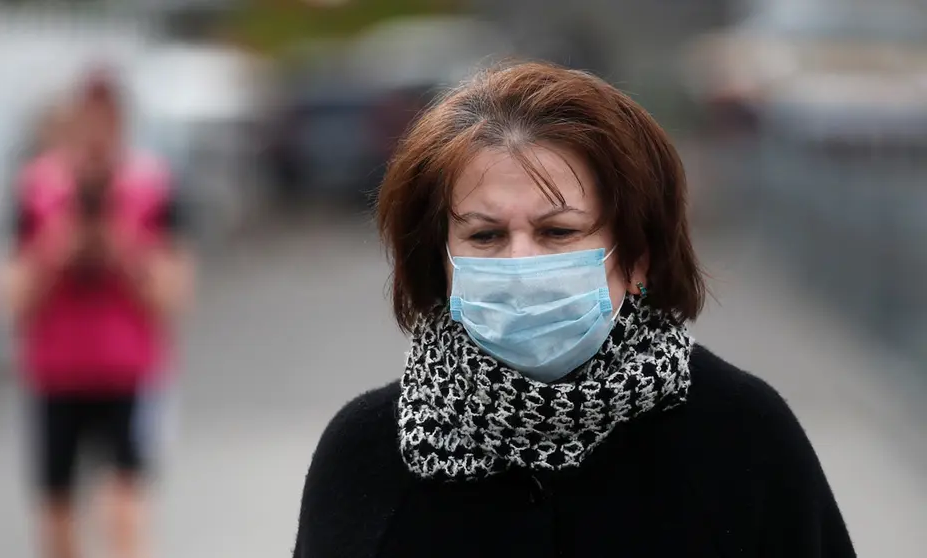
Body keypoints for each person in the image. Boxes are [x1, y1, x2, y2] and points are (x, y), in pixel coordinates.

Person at [293, 61, 856, 557]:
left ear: (637, 253)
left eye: (557, 231)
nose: (520, 264)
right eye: (486, 236)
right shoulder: (366, 453)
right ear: (439, 259)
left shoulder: (742, 438)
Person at [0, 70, 193, 558]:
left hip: (128, 373)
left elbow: (175, 293)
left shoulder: (151, 187)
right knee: (56, 509)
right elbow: (9, 294)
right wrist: (57, 248)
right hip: (58, 374)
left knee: (126, 507)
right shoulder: (37, 189)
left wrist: (123, 248)